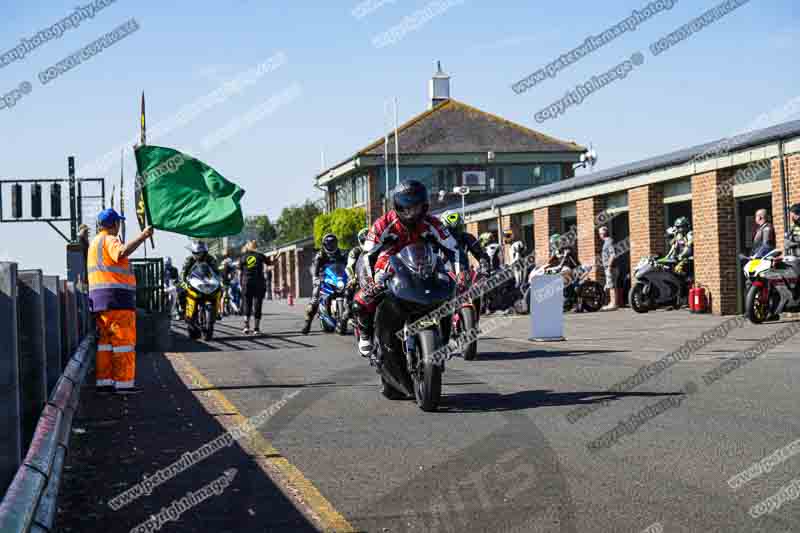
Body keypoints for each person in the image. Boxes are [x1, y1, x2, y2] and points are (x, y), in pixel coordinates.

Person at [351, 180, 458, 356]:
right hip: (389, 264)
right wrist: (370, 282)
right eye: (406, 207)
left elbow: (453, 247)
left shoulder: (433, 223)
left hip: (423, 263)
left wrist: (459, 274)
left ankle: (446, 337)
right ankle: (365, 334)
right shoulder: (381, 224)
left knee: (450, 287)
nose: (411, 212)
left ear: (423, 206)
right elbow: (367, 254)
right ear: (398, 207)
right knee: (361, 301)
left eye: (415, 207)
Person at [88, 208, 153, 395]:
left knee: (105, 345)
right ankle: (124, 385)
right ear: (115, 224)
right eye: (119, 223)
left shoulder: (95, 243)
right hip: (117, 300)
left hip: (99, 302)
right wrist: (143, 236)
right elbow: (122, 252)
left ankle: (105, 383)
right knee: (123, 343)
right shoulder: (110, 239)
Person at [301, 233, 348, 335]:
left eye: (333, 243)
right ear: (324, 244)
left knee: (351, 292)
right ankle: (307, 323)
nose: (331, 246)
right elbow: (315, 268)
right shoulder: (320, 255)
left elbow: (347, 266)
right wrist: (315, 278)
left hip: (337, 279)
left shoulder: (341, 254)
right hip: (323, 279)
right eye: (329, 244)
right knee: (315, 298)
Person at [239, 240, 271, 335]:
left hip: (246, 283)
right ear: (255, 247)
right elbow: (270, 263)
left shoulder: (243, 257)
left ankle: (246, 327)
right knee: (257, 304)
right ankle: (256, 328)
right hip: (259, 283)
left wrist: (241, 284)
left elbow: (239, 272)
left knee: (247, 304)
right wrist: (276, 256)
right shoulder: (260, 255)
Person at [341, 228, 370, 327]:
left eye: (368, 240)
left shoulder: (377, 247)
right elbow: (349, 267)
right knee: (349, 290)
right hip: (358, 276)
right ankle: (347, 314)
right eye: (364, 241)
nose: (366, 243)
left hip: (373, 277)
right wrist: (353, 278)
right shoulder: (355, 251)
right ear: (360, 241)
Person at [599, 226, 620, 311]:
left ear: (602, 234)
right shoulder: (607, 242)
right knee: (611, 285)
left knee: (611, 286)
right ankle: (613, 303)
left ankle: (613, 304)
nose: (600, 235)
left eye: (600, 234)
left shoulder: (609, 242)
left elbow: (613, 254)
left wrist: (609, 267)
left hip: (611, 267)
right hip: (610, 267)